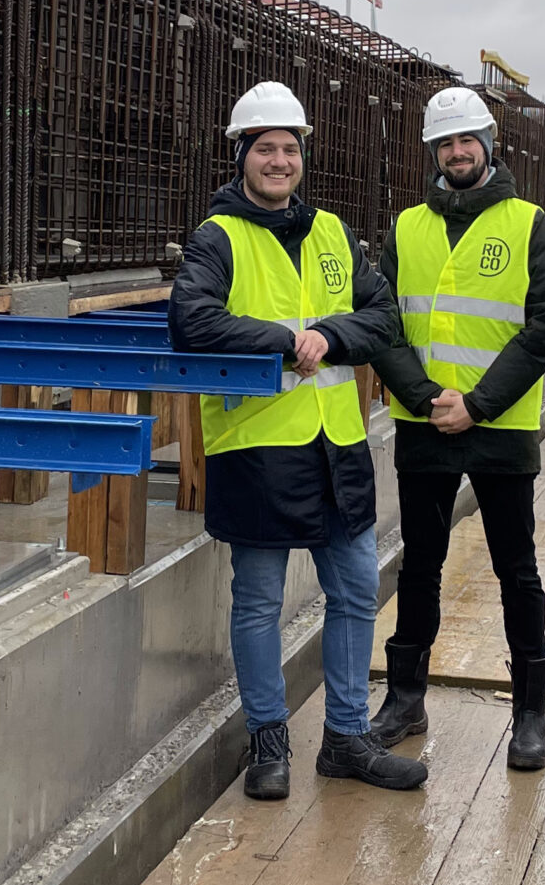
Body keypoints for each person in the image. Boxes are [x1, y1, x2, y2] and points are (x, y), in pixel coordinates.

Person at [169, 82, 425, 801]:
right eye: (266, 149)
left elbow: (383, 317)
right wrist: (287, 341)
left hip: (336, 445)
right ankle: (268, 739)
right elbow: (192, 320)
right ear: (242, 155)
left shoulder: (333, 233)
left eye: (289, 149)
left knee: (355, 589)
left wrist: (331, 335)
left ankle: (345, 737)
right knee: (258, 601)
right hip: (257, 448)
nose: (279, 161)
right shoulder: (218, 237)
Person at [369, 86, 545, 771]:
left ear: (488, 145)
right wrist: (427, 397)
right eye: (445, 143)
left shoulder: (527, 224)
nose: (457, 152)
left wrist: (477, 404)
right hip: (424, 420)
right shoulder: (406, 228)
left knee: (517, 569)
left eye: (466, 141)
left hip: (499, 425)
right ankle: (405, 698)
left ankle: (530, 713)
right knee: (420, 564)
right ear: (434, 151)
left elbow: (544, 330)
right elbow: (383, 324)